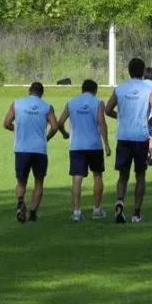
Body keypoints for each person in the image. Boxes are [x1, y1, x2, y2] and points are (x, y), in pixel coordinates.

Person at [105, 57, 152, 224]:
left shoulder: (120, 89)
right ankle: (136, 212)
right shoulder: (148, 89)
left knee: (123, 175)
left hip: (123, 136)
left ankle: (119, 203)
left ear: (128, 71)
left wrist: (120, 117)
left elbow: (107, 109)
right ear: (143, 72)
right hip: (140, 137)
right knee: (140, 175)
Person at [3, 81, 60, 223]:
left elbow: (6, 123)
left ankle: (20, 203)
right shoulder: (47, 107)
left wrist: (16, 130)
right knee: (39, 182)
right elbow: (55, 126)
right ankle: (33, 213)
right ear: (42, 93)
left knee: (21, 182)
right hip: (39, 149)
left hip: (22, 149)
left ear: (29, 91)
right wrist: (47, 138)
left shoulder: (17, 104)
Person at [56, 79, 111, 221]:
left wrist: (65, 133)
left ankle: (76, 212)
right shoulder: (98, 102)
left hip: (77, 145)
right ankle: (97, 210)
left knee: (77, 178)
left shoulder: (71, 102)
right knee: (97, 176)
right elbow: (101, 122)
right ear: (95, 90)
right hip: (94, 145)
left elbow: (60, 122)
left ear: (82, 89)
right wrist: (106, 144)